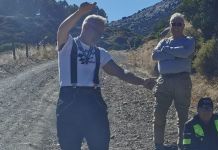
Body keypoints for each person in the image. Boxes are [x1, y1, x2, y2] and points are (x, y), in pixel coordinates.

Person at [56, 2, 155, 150]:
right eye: (97, 29)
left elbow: (121, 73)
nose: (98, 34)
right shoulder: (68, 45)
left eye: (100, 31)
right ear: (86, 26)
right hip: (70, 100)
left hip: (93, 101)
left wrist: (142, 82)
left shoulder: (100, 52)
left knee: (100, 145)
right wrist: (80, 12)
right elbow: (62, 29)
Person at [151, 12, 195, 150]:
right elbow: (154, 56)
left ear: (183, 25)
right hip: (163, 81)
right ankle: (158, 144)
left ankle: (182, 145)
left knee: (182, 115)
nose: (176, 26)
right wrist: (176, 54)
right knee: (159, 114)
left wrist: (167, 52)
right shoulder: (162, 41)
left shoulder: (189, 40)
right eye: (173, 24)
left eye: (179, 24)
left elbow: (186, 53)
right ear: (170, 25)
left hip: (182, 81)